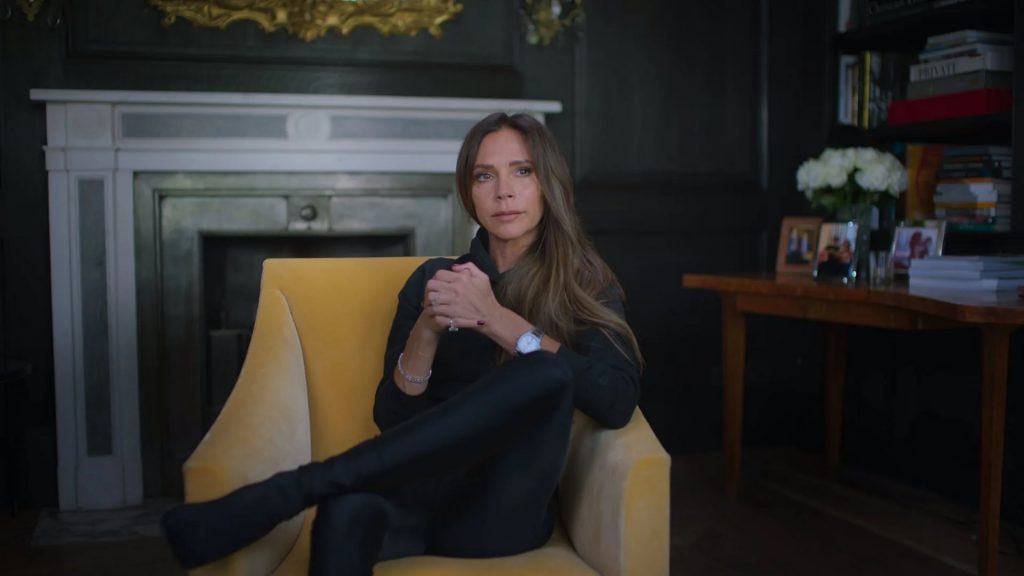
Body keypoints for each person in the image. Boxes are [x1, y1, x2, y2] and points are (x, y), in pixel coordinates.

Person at [161, 112, 643, 575]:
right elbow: (393, 420)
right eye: (484, 176)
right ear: (468, 192)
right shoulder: (436, 279)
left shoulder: (583, 283)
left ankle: (293, 490)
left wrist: (498, 320)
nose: (504, 191)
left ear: (548, 184)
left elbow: (616, 399)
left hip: (500, 513)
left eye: (522, 171)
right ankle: (312, 493)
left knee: (545, 369)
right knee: (347, 510)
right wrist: (427, 330)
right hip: (415, 497)